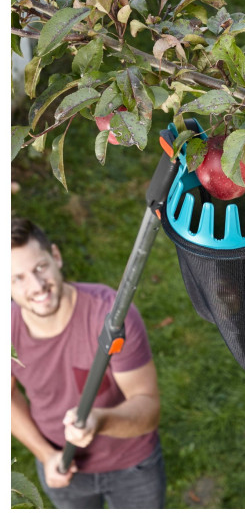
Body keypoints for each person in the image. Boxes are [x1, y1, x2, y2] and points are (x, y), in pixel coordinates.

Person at [11, 218, 165, 508]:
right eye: (17, 278)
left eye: (39, 268)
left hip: (132, 465)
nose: (37, 287)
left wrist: (98, 420)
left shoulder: (111, 316)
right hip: (62, 468)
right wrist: (45, 455)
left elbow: (148, 409)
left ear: (55, 256)